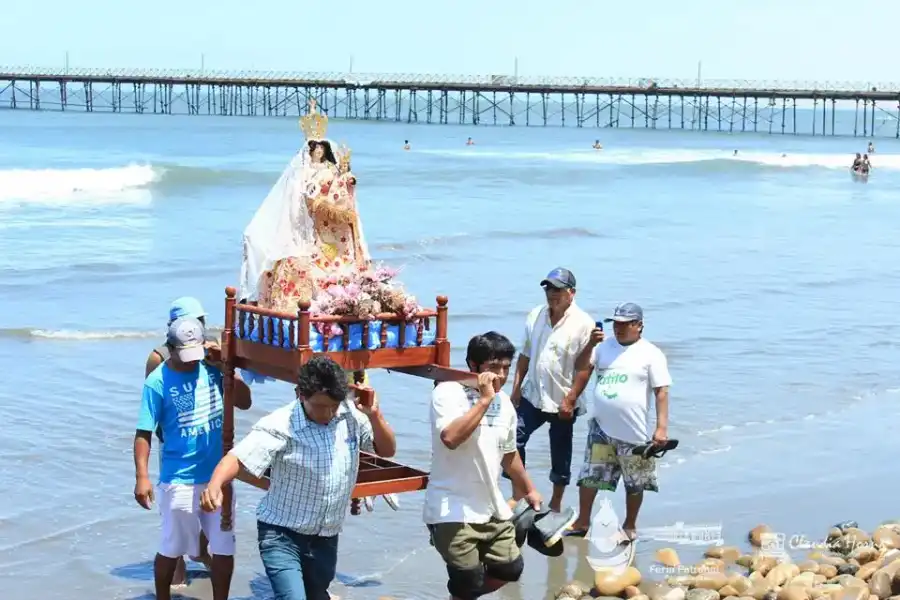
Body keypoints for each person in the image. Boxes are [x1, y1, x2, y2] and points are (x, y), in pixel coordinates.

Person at [200, 355, 397, 600]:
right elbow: (237, 458)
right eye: (319, 406)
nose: (327, 413)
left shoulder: (351, 416)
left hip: (325, 537)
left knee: (317, 595)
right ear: (300, 395)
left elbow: (386, 451)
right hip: (281, 535)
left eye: (332, 406)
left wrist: (375, 417)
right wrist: (215, 484)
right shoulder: (280, 424)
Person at [133, 316, 253, 600]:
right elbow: (143, 433)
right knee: (172, 548)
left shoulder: (212, 370)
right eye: (184, 355)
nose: (190, 362)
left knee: (224, 547)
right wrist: (142, 476)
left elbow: (245, 402)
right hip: (179, 479)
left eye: (195, 354)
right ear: (170, 348)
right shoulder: (157, 381)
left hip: (218, 476)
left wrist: (227, 368)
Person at [425, 332, 542, 600]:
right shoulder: (447, 393)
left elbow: (510, 456)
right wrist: (484, 400)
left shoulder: (505, 406)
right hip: (451, 508)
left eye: (506, 368)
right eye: (493, 367)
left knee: (511, 568)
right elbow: (451, 438)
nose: (500, 375)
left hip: (491, 506)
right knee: (467, 577)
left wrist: (529, 489)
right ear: (472, 365)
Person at [240, 98, 371, 314]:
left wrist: (345, 183)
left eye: (321, 147)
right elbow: (294, 203)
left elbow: (338, 195)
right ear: (309, 150)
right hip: (307, 225)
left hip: (325, 224)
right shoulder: (298, 174)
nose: (318, 151)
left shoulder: (330, 170)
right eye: (315, 148)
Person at [566, 302, 671, 540]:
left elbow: (661, 392)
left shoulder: (651, 353)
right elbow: (582, 367)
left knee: (635, 482)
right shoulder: (603, 348)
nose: (619, 329)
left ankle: (630, 525)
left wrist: (661, 428)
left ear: (639, 325)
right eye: (616, 324)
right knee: (590, 476)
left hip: (633, 431)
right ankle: (582, 522)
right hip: (601, 427)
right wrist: (591, 343)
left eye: (625, 324)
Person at [143, 297, 219, 586]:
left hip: (205, 437)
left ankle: (199, 550)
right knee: (176, 509)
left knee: (208, 500)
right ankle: (177, 567)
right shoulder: (159, 356)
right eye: (192, 320)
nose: (199, 325)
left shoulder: (209, 345)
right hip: (174, 442)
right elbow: (155, 404)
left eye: (201, 320)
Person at [507, 268, 595, 512]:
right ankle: (521, 490)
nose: (551, 294)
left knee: (560, 451)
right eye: (548, 288)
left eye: (557, 289)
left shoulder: (584, 323)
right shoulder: (535, 315)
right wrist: (515, 389)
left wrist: (571, 399)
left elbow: (585, 368)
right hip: (532, 394)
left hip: (562, 400)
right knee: (512, 438)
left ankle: (556, 501)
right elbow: (524, 354)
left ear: (571, 293)